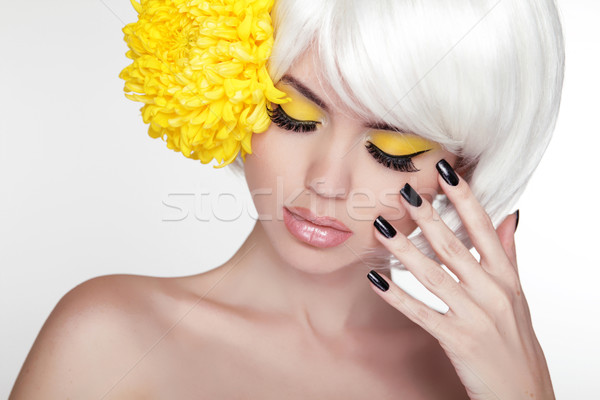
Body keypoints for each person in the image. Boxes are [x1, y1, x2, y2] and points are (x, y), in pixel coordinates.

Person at [9, 0, 564, 398]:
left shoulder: (475, 380)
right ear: (237, 97)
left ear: (459, 168)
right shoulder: (107, 336)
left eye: (394, 148)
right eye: (294, 116)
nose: (326, 181)